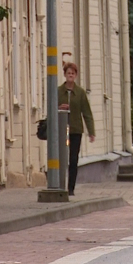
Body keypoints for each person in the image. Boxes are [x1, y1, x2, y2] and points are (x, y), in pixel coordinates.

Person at [58, 62, 95, 196]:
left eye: (73, 73)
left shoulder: (80, 93)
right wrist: (60, 108)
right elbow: (52, 110)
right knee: (61, 158)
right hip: (61, 130)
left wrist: (91, 132)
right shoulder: (58, 91)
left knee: (73, 159)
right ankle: (59, 185)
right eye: (68, 73)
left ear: (76, 75)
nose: (70, 75)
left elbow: (86, 112)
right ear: (65, 75)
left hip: (75, 130)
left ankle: (71, 188)